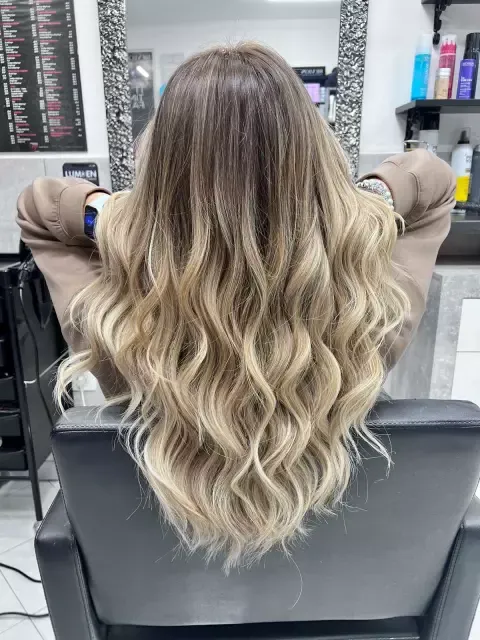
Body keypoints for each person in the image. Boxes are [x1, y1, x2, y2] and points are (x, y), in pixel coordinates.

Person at [17, 43, 455, 569]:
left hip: (164, 580)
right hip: (335, 579)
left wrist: (111, 216)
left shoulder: (117, 329)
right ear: (316, 154)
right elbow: (431, 179)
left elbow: (39, 204)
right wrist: (365, 202)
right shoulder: (369, 320)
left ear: (160, 166)